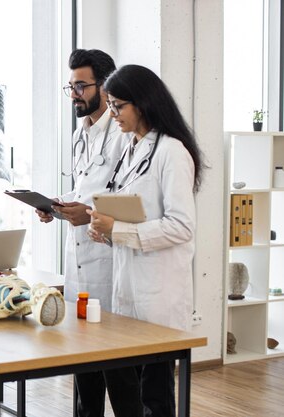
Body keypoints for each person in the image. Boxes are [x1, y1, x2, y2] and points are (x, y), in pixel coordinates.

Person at [88, 64, 204, 417]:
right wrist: (105, 231)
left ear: (143, 103)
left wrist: (118, 230)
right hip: (128, 290)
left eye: (119, 106)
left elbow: (182, 226)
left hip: (159, 295)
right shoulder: (129, 147)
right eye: (110, 105)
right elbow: (131, 211)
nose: (113, 114)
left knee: (155, 397)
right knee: (129, 397)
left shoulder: (172, 152)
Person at [36, 49, 142, 417]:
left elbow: (132, 198)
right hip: (79, 261)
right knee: (83, 364)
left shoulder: (125, 134)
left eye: (81, 86)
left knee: (120, 370)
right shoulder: (78, 134)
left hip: (110, 259)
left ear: (105, 84)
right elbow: (84, 190)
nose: (75, 94)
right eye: (71, 87)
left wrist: (90, 213)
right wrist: (56, 204)